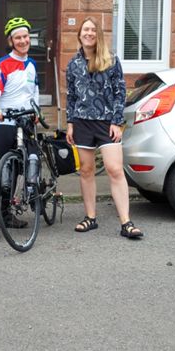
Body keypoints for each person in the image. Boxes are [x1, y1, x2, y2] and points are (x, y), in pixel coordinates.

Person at [66, 16, 143, 240]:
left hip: (106, 124)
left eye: (92, 30)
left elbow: (121, 92)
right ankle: (90, 217)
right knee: (86, 171)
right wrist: (70, 123)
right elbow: (71, 95)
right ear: (79, 34)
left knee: (115, 169)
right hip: (81, 123)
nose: (88, 33)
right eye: (85, 29)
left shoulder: (110, 60)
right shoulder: (73, 63)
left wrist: (117, 122)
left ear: (97, 34)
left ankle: (126, 223)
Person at [0, 17, 39, 243]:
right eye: (18, 37)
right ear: (11, 40)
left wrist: (36, 111)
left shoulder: (32, 64)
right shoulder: (2, 64)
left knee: (21, 167)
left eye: (26, 36)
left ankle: (7, 215)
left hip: (24, 122)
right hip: (4, 121)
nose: (23, 40)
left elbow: (34, 91)